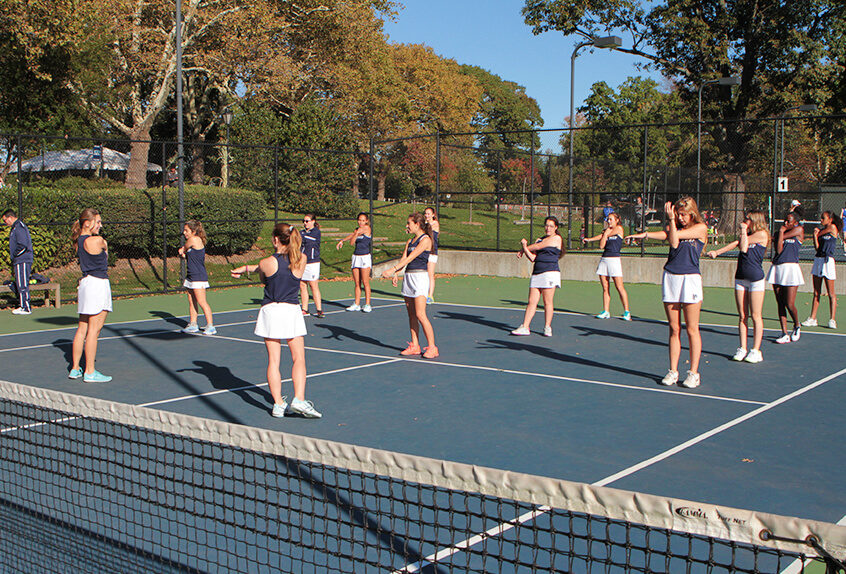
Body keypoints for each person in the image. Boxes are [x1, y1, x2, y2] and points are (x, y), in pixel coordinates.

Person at [231, 223, 321, 418]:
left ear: (275, 240)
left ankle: (278, 404)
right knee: (299, 358)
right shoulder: (302, 259)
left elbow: (264, 275)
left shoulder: (266, 262)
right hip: (291, 311)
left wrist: (247, 268)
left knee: (274, 360)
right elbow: (282, 265)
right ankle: (299, 399)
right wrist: (248, 267)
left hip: (270, 311)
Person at [626, 197, 708, 388]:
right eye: (677, 214)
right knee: (674, 328)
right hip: (671, 277)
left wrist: (671, 222)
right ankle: (672, 371)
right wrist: (644, 235)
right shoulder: (674, 227)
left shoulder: (701, 228)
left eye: (683, 215)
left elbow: (674, 242)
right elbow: (668, 237)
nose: (680, 218)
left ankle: (693, 373)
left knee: (692, 328)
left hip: (690, 279)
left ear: (692, 213)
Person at [706, 211, 770, 363]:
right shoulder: (746, 235)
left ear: (755, 220)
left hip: (755, 279)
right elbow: (736, 243)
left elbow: (742, 247)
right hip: (740, 278)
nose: (744, 221)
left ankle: (756, 350)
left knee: (755, 315)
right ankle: (742, 348)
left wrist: (742, 231)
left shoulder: (762, 234)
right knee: (742, 315)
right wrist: (717, 252)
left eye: (748, 219)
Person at [382, 212, 438, 358]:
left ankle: (432, 347)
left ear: (417, 224)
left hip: (420, 278)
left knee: (420, 314)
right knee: (411, 315)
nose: (407, 226)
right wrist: (396, 273)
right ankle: (415, 345)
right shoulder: (409, 241)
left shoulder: (426, 240)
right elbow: (404, 259)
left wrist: (392, 270)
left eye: (409, 223)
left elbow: (413, 257)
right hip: (408, 278)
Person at [69, 208, 113, 383]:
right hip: (97, 285)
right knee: (94, 331)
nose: (100, 225)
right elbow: (104, 246)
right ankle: (89, 371)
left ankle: (75, 368)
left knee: (82, 329)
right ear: (87, 223)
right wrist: (104, 244)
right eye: (98, 222)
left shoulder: (80, 240)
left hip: (86, 285)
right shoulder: (97, 240)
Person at [511, 216, 564, 337]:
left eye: (551, 226)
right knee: (531, 301)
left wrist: (523, 249)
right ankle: (525, 326)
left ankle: (547, 327)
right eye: (546, 225)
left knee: (547, 301)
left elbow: (539, 247)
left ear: (555, 227)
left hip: (550, 273)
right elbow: (533, 258)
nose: (548, 228)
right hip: (537, 273)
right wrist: (524, 248)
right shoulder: (539, 239)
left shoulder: (557, 238)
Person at [766, 209, 805, 344]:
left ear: (795, 222)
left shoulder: (799, 230)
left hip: (791, 269)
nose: (786, 222)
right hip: (778, 268)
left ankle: (797, 325)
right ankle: (784, 333)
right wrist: (780, 233)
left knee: (789, 303)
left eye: (789, 221)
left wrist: (780, 235)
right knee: (780, 303)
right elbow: (779, 250)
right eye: (785, 220)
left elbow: (795, 231)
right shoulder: (780, 233)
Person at [582, 212, 631, 320]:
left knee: (619, 287)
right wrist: (590, 239)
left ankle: (627, 312)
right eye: (608, 219)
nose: (608, 221)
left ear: (617, 220)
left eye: (611, 219)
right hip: (604, 260)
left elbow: (606, 234)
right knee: (605, 287)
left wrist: (605, 234)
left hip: (614, 261)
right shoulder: (606, 232)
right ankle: (606, 311)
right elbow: (601, 245)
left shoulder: (619, 229)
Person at [802, 211, 840, 329]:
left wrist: (817, 233)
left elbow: (822, 232)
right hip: (818, 260)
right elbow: (817, 247)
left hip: (828, 261)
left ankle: (832, 319)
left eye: (823, 218)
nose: (821, 220)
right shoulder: (821, 233)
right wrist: (814, 236)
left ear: (830, 219)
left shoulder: (832, 228)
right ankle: (813, 318)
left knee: (831, 293)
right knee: (816, 292)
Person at [178, 219, 215, 335]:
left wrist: (182, 251)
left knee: (201, 301)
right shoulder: (193, 241)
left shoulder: (194, 239)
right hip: (190, 276)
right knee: (191, 301)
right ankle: (193, 324)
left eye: (186, 230)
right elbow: (187, 256)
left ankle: (210, 326)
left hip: (198, 276)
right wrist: (183, 253)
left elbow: (183, 249)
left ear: (193, 231)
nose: (184, 233)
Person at [336, 212, 372, 312]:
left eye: (363, 220)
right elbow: (352, 242)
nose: (361, 222)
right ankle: (356, 303)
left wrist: (355, 233)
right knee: (357, 283)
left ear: (367, 221)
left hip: (365, 257)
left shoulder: (367, 228)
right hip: (356, 257)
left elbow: (358, 232)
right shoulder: (357, 230)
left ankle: (368, 304)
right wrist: (342, 240)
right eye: (359, 220)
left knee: (365, 282)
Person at [2, 209, 33, 315]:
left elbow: (23, 245)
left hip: (22, 260)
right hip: (18, 260)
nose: (5, 223)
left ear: (10, 217)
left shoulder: (19, 227)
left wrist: (15, 255)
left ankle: (26, 307)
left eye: (5, 220)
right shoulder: (15, 227)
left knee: (23, 283)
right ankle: (22, 305)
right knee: (19, 283)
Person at [300, 213, 324, 318]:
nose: (305, 223)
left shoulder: (316, 232)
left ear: (313, 221)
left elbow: (309, 240)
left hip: (313, 262)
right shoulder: (302, 232)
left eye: (307, 221)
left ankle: (319, 310)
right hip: (302, 262)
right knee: (302, 285)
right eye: (304, 221)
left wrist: (300, 236)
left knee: (313, 285)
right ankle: (305, 309)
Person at [424, 206, 440, 304]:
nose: (427, 215)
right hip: (424, 251)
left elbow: (428, 229)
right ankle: (424, 294)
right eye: (425, 213)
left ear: (433, 215)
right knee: (424, 273)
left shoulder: (435, 224)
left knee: (430, 274)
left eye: (429, 214)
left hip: (432, 252)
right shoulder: (424, 224)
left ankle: (430, 296)